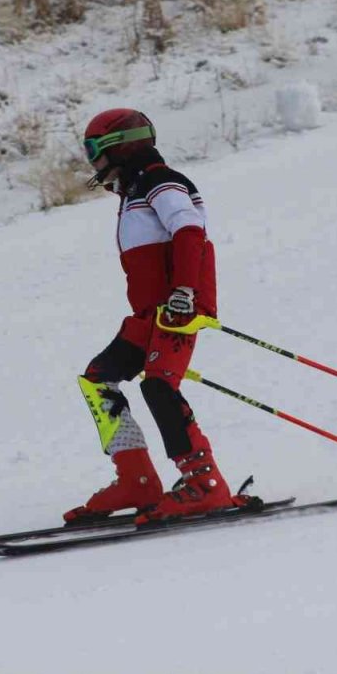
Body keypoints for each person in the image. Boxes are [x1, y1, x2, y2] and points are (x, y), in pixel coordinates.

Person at [64, 108, 240, 525]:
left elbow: (189, 228)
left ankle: (204, 483)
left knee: (160, 386)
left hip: (177, 310)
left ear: (118, 147)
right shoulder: (135, 191)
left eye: (93, 150)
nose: (91, 161)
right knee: (98, 378)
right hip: (150, 315)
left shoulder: (162, 183)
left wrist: (184, 291)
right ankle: (136, 480)